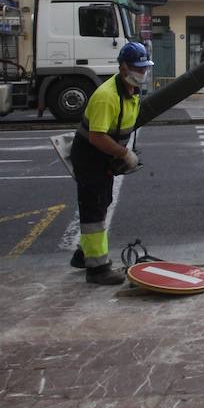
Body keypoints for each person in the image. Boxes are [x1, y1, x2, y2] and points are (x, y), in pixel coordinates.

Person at [68, 41, 150, 285]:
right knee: (94, 212)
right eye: (138, 68)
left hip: (103, 157)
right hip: (90, 157)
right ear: (124, 67)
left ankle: (83, 255)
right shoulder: (107, 96)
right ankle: (97, 269)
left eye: (145, 68)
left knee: (102, 203)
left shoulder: (132, 91)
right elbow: (97, 136)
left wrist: (121, 154)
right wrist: (124, 153)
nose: (143, 73)